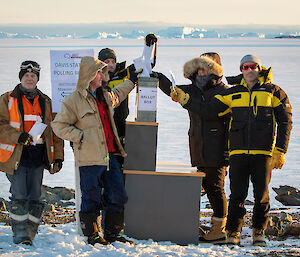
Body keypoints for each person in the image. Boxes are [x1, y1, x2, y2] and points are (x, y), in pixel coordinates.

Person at [170, 54, 292, 246]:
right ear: (241, 70)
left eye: (253, 66)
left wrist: (280, 150)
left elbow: (286, 121)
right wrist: (185, 100)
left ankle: (258, 232)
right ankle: (233, 232)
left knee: (261, 194)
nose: (249, 70)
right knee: (237, 195)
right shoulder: (233, 93)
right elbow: (209, 110)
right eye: (245, 67)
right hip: (237, 152)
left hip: (264, 153)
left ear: (259, 69)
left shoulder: (274, 92)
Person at [51, 56, 140, 245]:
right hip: (89, 158)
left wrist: (132, 81)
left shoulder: (104, 95)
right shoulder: (74, 100)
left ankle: (112, 234)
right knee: (91, 197)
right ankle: (92, 235)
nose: (103, 76)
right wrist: (80, 136)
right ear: (89, 75)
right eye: (100, 72)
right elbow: (58, 125)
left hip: (111, 156)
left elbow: (119, 93)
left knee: (117, 196)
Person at [154, 53, 229, 244]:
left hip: (218, 149)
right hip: (198, 148)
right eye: (199, 68)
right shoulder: (195, 89)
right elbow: (173, 90)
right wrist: (157, 77)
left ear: (215, 70)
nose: (201, 72)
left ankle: (219, 229)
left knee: (215, 187)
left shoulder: (224, 92)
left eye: (205, 68)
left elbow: (209, 111)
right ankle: (211, 225)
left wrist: (185, 99)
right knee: (206, 186)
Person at [0, 60, 64, 245]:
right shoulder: (6, 99)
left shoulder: (46, 101)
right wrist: (18, 136)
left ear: (37, 79)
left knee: (35, 196)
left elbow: (55, 131)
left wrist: (58, 156)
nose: (30, 78)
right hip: (15, 154)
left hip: (37, 155)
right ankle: (20, 236)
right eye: (26, 75)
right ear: (21, 77)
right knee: (19, 194)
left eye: (33, 76)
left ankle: (30, 233)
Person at [98, 34, 157, 169]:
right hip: (102, 129)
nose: (111, 65)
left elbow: (146, 63)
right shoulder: (96, 79)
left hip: (120, 126)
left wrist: (149, 46)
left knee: (119, 165)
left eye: (113, 61)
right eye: (107, 61)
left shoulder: (124, 74)